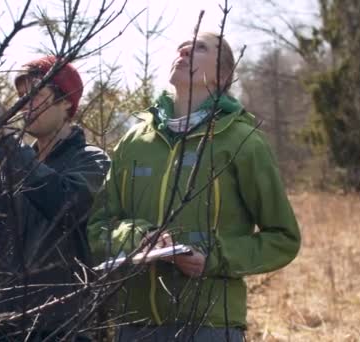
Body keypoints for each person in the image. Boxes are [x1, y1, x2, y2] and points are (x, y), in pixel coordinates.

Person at [87, 32, 301, 341]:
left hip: (210, 324)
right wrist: (138, 237)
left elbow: (283, 238)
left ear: (223, 75)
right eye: (182, 46)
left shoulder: (243, 142)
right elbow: (99, 226)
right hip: (133, 324)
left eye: (199, 47)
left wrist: (213, 258)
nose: (184, 48)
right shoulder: (133, 141)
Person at [0, 56, 110, 341]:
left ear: (67, 101)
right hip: (4, 325)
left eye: (35, 95)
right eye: (21, 97)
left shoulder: (91, 161)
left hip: (62, 328)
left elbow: (62, 207)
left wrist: (8, 143)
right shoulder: (11, 167)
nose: (24, 106)